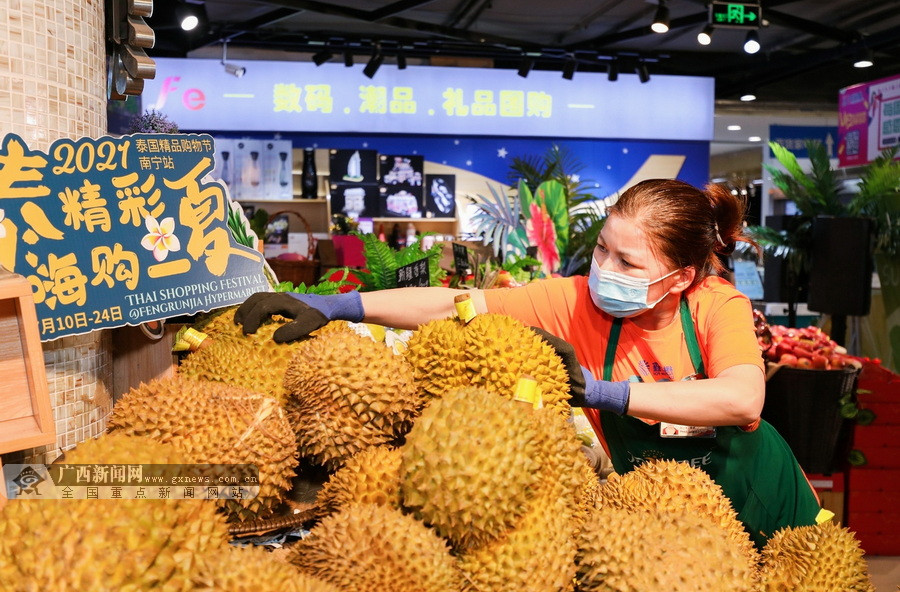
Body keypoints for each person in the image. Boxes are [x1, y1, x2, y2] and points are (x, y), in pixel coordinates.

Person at [235, 178, 822, 547]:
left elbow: (742, 398)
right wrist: (340, 305)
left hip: (757, 495)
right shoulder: (572, 299)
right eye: (602, 250)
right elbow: (452, 304)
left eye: (629, 262)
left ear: (683, 277)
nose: (606, 270)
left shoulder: (717, 305)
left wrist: (606, 394)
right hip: (660, 513)